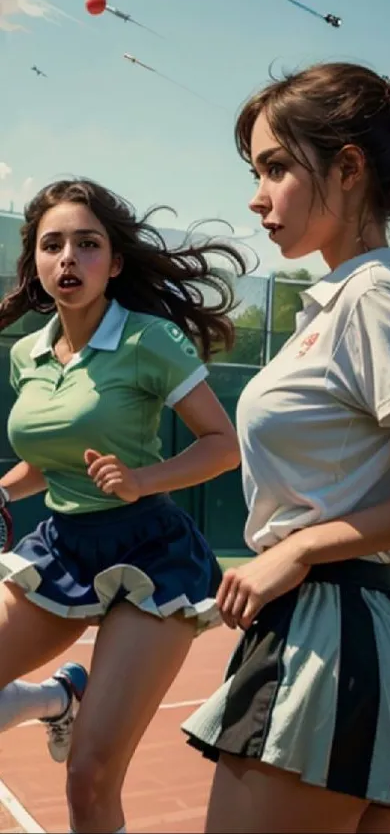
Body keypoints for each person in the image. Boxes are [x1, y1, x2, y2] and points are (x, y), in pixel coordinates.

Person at [182, 62, 390, 834]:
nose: (256, 195)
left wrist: (298, 550)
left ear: (347, 169)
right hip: (345, 630)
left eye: (275, 167)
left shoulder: (372, 295)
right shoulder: (348, 296)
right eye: (256, 170)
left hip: (327, 634)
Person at [0, 177, 243, 834]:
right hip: (60, 546)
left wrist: (142, 478)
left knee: (89, 775)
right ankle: (53, 697)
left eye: (87, 243)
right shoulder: (26, 354)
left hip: (150, 556)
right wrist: (2, 488)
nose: (68, 258)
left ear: (115, 261)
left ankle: (64, 705)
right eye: (53, 245)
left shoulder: (148, 340)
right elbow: (45, 463)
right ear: (37, 265)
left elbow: (223, 446)